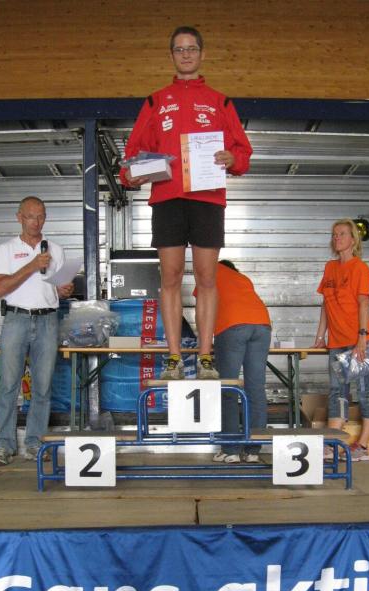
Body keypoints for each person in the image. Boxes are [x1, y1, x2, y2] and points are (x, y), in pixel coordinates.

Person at [119, 25, 252, 380]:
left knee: (208, 278)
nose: (186, 54)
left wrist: (232, 158)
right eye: (179, 49)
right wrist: (131, 174)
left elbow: (243, 153)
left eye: (192, 48)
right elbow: (131, 156)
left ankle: (206, 358)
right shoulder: (156, 101)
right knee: (171, 277)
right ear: (172, 56)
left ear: (202, 54)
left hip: (208, 199)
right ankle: (174, 359)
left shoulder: (220, 101)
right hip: (168, 200)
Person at [0, 196, 73, 466]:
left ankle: (35, 443)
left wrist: (64, 289)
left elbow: (59, 287)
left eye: (41, 216)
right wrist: (32, 265)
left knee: (43, 386)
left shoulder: (56, 250)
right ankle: (3, 445)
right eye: (30, 216)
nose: (36, 222)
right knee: (8, 385)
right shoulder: (6, 249)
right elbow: (0, 289)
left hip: (48, 320)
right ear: (19, 218)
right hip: (16, 319)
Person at [313, 218, 369, 461]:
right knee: (337, 392)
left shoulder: (360, 268)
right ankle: (332, 444)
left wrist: (362, 338)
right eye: (334, 234)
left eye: (342, 234)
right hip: (337, 342)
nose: (337, 238)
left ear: (353, 239)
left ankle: (362, 446)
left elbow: (363, 302)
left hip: (360, 341)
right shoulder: (330, 267)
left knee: (366, 392)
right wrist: (320, 336)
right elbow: (326, 304)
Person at [210, 259, 271, 463]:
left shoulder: (210, 271)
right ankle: (252, 451)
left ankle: (231, 449)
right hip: (262, 325)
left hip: (233, 325)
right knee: (256, 388)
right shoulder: (243, 278)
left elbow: (205, 308)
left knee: (228, 388)